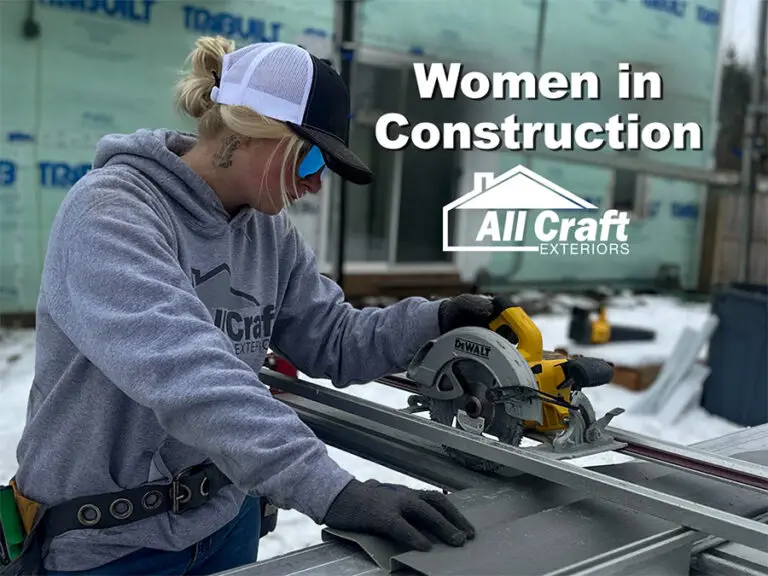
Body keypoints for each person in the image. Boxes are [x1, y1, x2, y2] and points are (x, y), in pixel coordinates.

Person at [5, 37, 497, 576]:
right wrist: (331, 490)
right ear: (248, 127)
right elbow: (189, 373)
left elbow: (332, 338)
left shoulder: (269, 234)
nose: (315, 182)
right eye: (311, 156)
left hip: (224, 520)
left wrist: (439, 320)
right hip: (109, 542)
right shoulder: (111, 213)